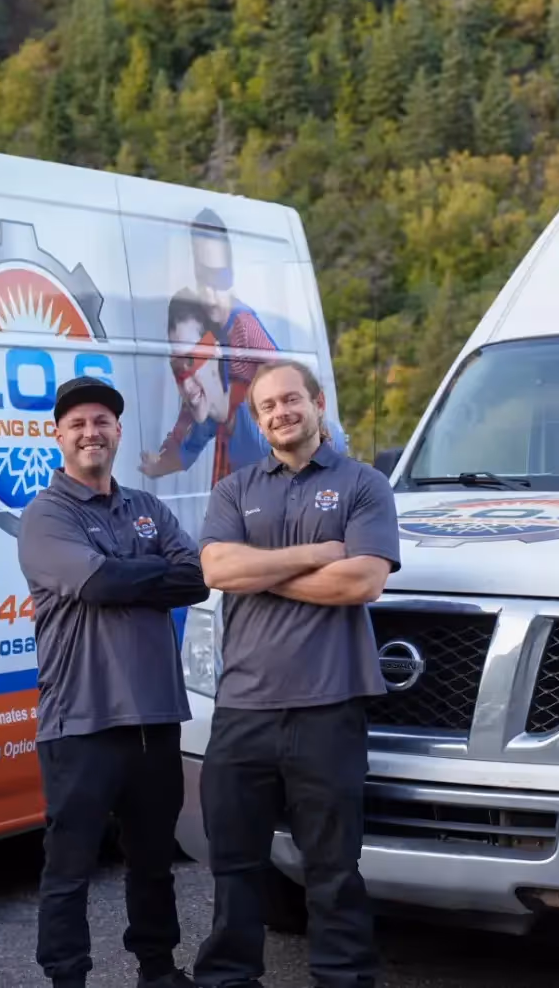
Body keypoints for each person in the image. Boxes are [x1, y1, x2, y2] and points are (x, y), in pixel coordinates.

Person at [191, 360, 401, 988]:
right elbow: (217, 570)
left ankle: (343, 977)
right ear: (258, 421)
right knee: (234, 864)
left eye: (291, 400)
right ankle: (229, 977)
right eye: (267, 408)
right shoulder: (234, 489)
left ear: (317, 403)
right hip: (243, 709)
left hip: (328, 706)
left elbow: (362, 580)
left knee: (333, 868)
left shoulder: (364, 485)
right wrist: (315, 553)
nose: (280, 413)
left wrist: (261, 569)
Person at [17, 375, 212, 988]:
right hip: (81, 719)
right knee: (69, 866)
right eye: (76, 424)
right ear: (58, 437)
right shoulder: (45, 515)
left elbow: (198, 578)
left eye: (101, 421)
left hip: (155, 716)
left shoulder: (149, 509)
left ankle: (158, 969)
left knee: (154, 862)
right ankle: (67, 978)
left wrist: (126, 574)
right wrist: (144, 574)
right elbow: (98, 584)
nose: (90, 432)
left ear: (118, 432)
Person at [140, 290, 269, 484]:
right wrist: (153, 466)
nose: (186, 383)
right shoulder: (209, 419)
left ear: (216, 352)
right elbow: (185, 454)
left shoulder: (259, 422)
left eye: (191, 362)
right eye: (177, 368)